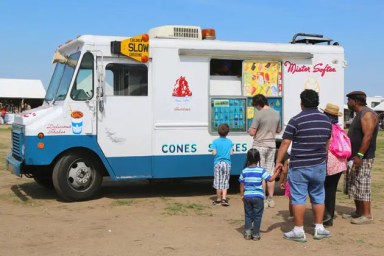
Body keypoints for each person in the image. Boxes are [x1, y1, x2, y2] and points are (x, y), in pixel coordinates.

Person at [274, 89, 332, 242]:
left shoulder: (295, 120)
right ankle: (319, 228)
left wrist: (278, 161)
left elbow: (286, 142)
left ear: (302, 103)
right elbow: (327, 142)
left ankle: (299, 231)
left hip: (300, 165)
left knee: (298, 197)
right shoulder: (326, 120)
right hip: (319, 164)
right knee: (318, 196)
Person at [343, 91, 378, 224]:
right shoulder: (359, 114)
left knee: (363, 183)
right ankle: (358, 212)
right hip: (354, 156)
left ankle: (367, 215)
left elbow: (367, 136)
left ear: (355, 101)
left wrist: (360, 155)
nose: (348, 103)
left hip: (363, 157)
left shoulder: (367, 114)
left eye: (349, 100)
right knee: (354, 183)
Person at [239, 148, 281, 240]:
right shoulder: (261, 170)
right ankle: (256, 234)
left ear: (248, 159)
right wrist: (277, 172)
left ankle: (247, 233)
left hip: (247, 197)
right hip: (258, 197)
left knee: (248, 215)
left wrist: (242, 195)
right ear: (258, 159)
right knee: (257, 215)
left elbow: (241, 184)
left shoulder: (244, 171)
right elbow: (270, 179)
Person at [248, 94, 281, 208]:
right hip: (271, 145)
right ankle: (270, 199)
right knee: (270, 172)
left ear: (258, 104)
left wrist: (250, 131)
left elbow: (252, 132)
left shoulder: (259, 114)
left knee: (260, 173)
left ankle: (262, 199)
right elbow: (278, 129)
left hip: (260, 145)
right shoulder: (276, 113)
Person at [321, 103, 347, 226]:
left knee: (325, 190)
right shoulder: (338, 128)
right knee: (331, 190)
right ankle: (328, 216)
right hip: (340, 164)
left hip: (329, 164)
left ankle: (326, 218)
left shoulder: (326, 127)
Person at [211, 123, 234, 206]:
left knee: (218, 181)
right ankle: (224, 199)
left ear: (218, 132)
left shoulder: (215, 142)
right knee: (225, 181)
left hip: (218, 163)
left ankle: (218, 199)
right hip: (227, 163)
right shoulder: (230, 142)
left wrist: (213, 152)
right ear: (227, 132)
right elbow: (231, 153)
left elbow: (214, 153)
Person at [279, 152, 293, 222]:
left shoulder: (288, 160)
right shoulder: (303, 158)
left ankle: (292, 215)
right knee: (300, 198)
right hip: (301, 181)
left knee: (291, 200)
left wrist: (281, 181)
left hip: (291, 181)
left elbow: (284, 172)